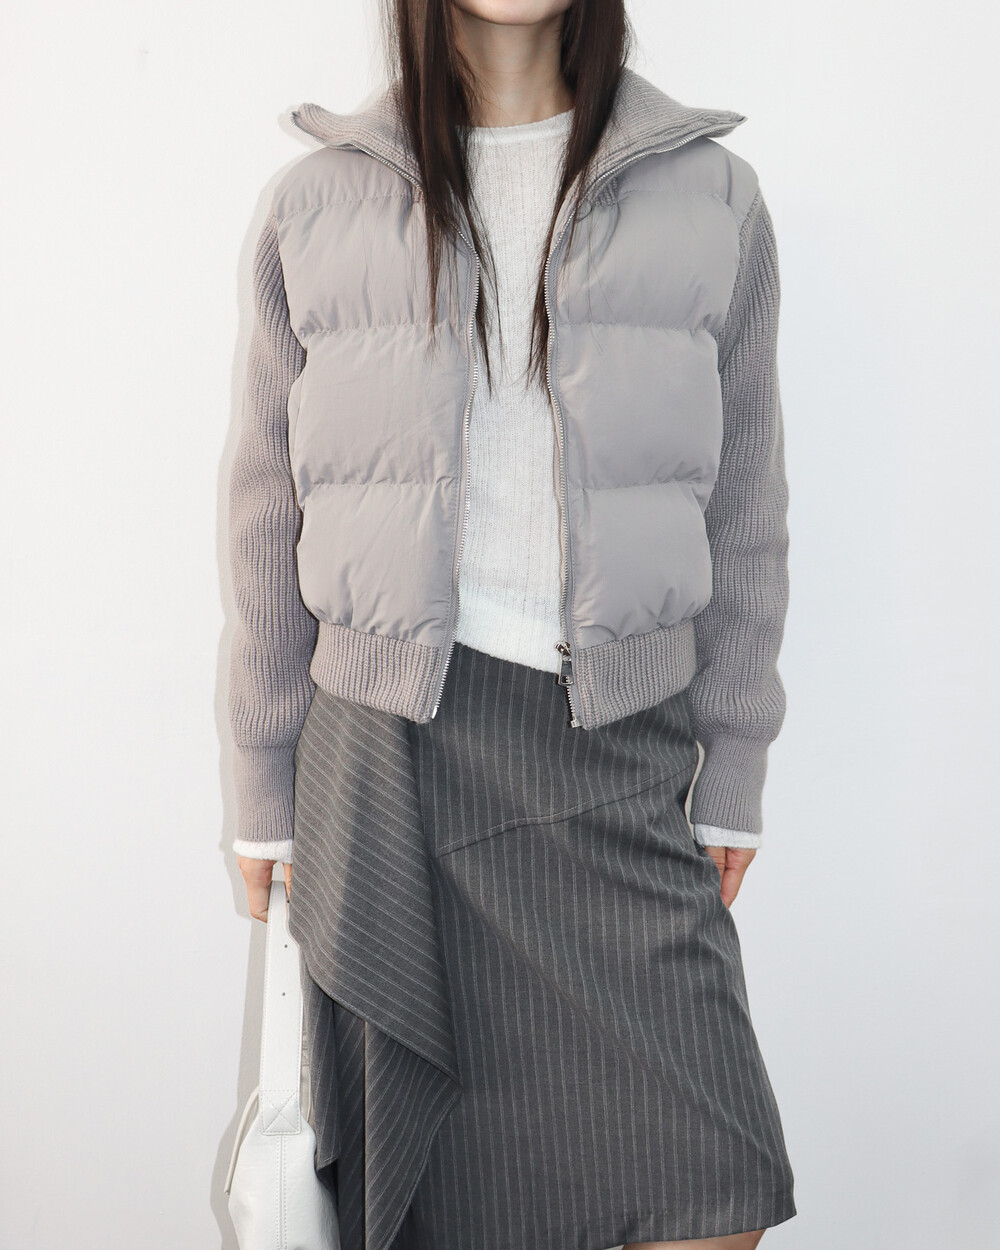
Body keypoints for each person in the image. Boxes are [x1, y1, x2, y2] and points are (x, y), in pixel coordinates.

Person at [226, 2, 796, 1248]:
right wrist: (262, 790)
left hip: (618, 752)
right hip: (392, 763)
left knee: (712, 1186)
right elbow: (267, 508)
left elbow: (745, 505)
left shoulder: (713, 196)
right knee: (448, 1204)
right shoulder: (315, 202)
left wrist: (733, 767)